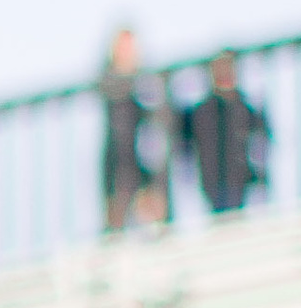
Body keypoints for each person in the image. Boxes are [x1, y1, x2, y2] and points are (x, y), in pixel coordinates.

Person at [178, 47, 270, 215]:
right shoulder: (200, 112)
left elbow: (262, 141)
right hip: (212, 183)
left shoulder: (246, 108)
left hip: (241, 182)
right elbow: (184, 143)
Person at [98, 23, 168, 231]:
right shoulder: (109, 82)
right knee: (116, 222)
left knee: (153, 220)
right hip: (119, 160)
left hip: (145, 157)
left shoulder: (146, 82)